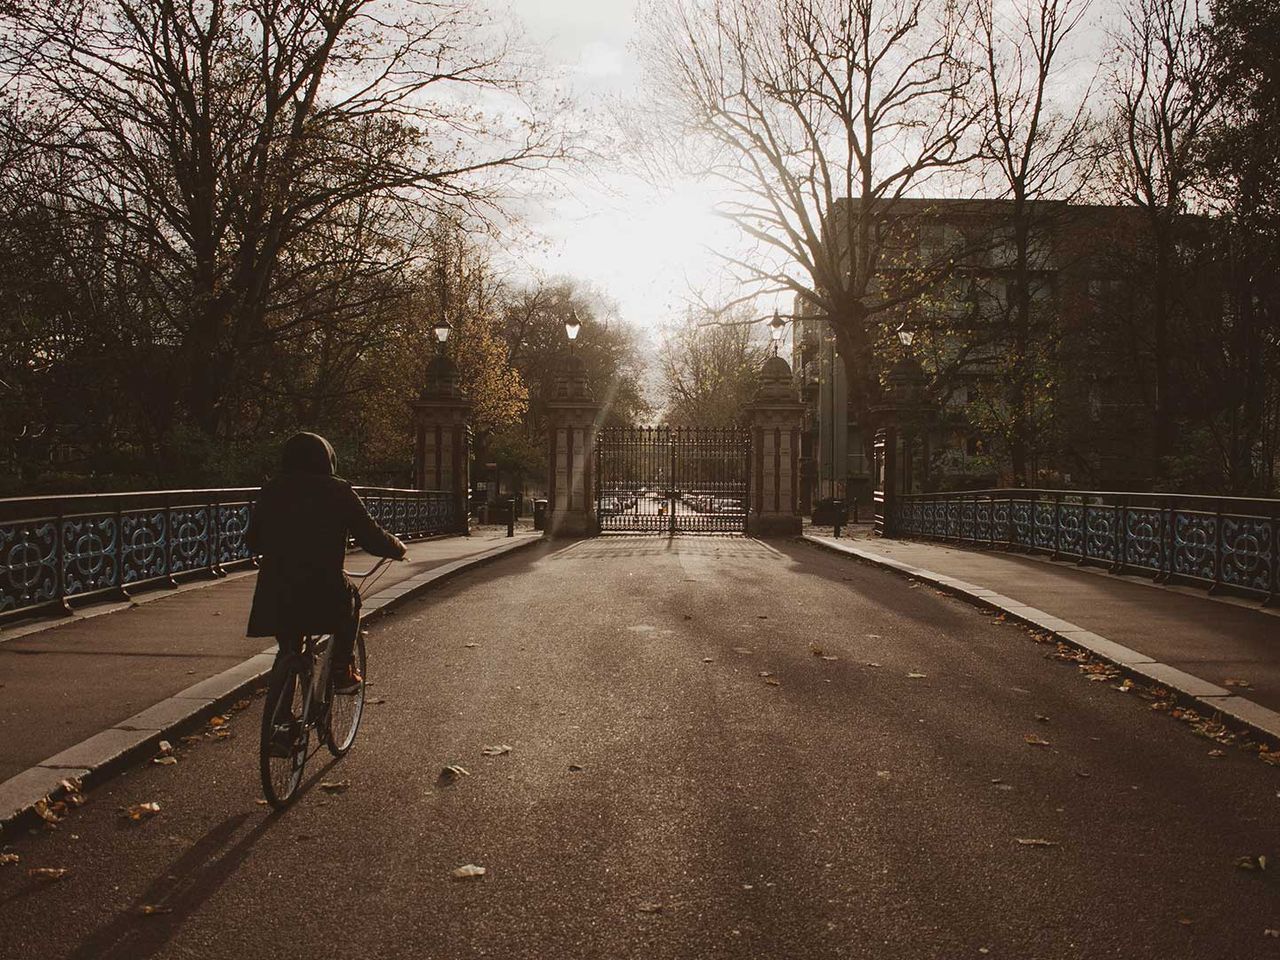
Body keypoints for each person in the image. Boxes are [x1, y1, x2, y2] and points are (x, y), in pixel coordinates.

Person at [246, 432, 406, 695]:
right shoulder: (339, 491)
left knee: (288, 648)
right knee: (352, 600)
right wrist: (397, 547)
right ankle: (341, 670)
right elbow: (371, 536)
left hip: (275, 588)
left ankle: (280, 719)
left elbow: (252, 540)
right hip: (323, 587)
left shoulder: (272, 489)